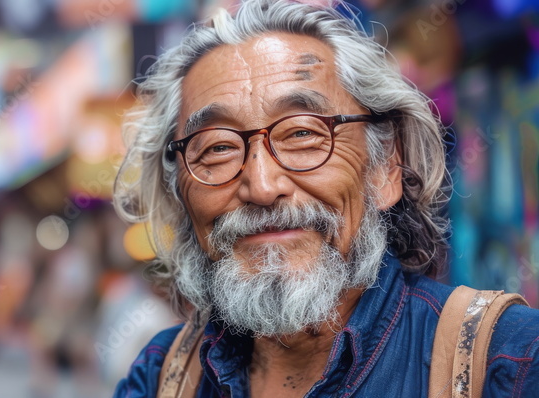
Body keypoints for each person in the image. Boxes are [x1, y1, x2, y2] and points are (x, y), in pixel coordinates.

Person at [111, 0, 539, 396]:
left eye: (302, 134)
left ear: (385, 169)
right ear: (180, 192)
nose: (261, 186)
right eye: (217, 147)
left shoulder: (511, 360)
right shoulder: (163, 375)